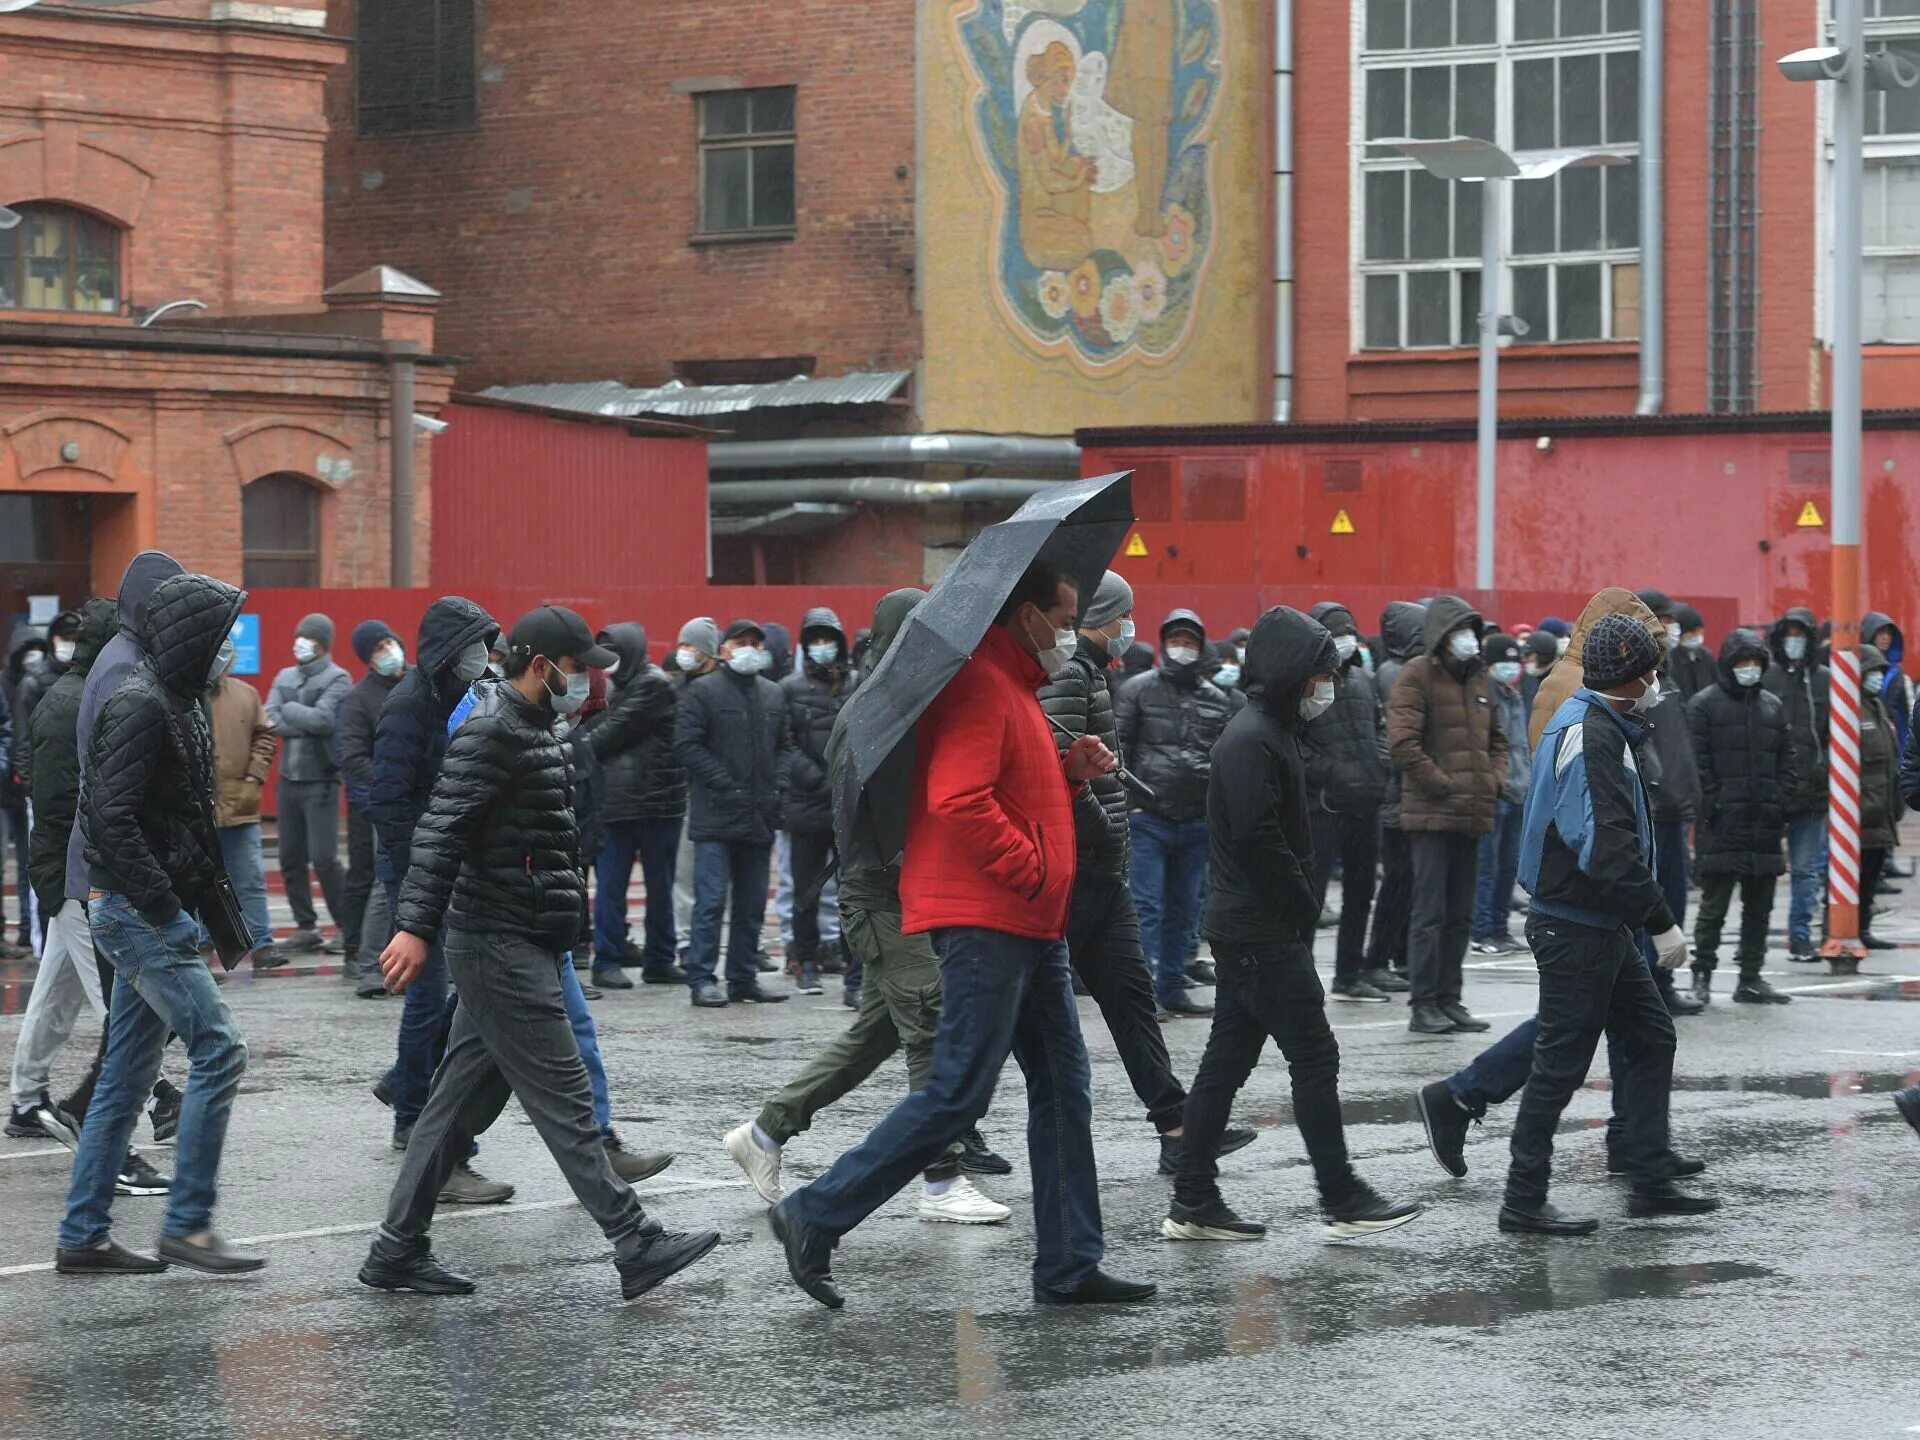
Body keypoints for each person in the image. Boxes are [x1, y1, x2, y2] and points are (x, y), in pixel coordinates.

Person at [768, 558, 1153, 1311]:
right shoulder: (981, 685)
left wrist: (1070, 771)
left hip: (1026, 923)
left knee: (1062, 1087)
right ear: (1027, 616)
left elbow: (1015, 790)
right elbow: (957, 800)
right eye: (1066, 620)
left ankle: (1070, 1263)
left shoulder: (1016, 685)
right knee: (956, 1094)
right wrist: (1034, 869)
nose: (1071, 635)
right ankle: (814, 1212)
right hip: (987, 919)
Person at [359, 606, 718, 1300]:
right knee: (566, 1100)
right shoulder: (492, 732)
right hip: (497, 941)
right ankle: (635, 1241)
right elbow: (438, 832)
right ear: (540, 665)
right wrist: (413, 926)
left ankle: (396, 1249)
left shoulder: (534, 726)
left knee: (452, 1107)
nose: (586, 681)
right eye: (577, 668)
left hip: (522, 933)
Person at [726, 589, 1011, 1225]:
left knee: (875, 1033)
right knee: (929, 1024)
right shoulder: (875, 713)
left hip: (903, 889)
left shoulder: (907, 706)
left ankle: (767, 1132)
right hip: (881, 893)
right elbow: (875, 814)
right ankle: (942, 1180)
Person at [1164, 605, 1421, 1244]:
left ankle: (1193, 1196)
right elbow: (1258, 837)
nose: (1323, 688)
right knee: (1313, 1056)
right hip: (1261, 928)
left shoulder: (1267, 730)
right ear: (1291, 674)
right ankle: (1340, 1195)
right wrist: (1303, 901)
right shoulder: (1253, 737)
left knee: (1227, 1061)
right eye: (1318, 676)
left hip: (1252, 925)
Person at [1476, 613, 1714, 1235]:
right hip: (1576, 924)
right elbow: (1604, 847)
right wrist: (1661, 921)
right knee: (1560, 1063)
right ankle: (1523, 1198)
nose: (1658, 679)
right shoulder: (1592, 733)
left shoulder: (1604, 722)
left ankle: (1648, 1172)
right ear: (1630, 677)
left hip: (1596, 921)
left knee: (1651, 1036)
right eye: (1651, 670)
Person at [56, 572, 261, 1277]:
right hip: (137, 914)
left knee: (124, 1079)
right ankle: (190, 1225)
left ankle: (83, 1236)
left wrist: (207, 911)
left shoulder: (180, 701)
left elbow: (181, 822)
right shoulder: (141, 702)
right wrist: (170, 911)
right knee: (220, 1048)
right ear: (189, 638)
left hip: (147, 909)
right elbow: (108, 820)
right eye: (222, 633)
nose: (230, 645)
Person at [1041, 572, 1255, 1172]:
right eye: (1125, 616)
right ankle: (953, 1137)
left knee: (1132, 998)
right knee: (1017, 1021)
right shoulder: (1068, 674)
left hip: (1102, 868)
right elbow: (1059, 773)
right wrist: (1103, 828)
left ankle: (1177, 1125)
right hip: (1080, 869)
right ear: (1101, 618)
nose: (1129, 628)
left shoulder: (1091, 672)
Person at [367, 596, 504, 1199]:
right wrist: (411, 887)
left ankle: (405, 1084)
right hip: (420, 869)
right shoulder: (409, 705)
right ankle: (416, 1122)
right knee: (430, 997)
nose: (483, 655)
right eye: (473, 644)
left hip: (457, 863)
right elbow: (391, 800)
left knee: (455, 997)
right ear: (448, 650)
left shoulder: (469, 696)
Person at [9, 601, 114, 1142]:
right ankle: (111, 1128)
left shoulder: (86, 695)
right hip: (79, 876)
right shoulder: (70, 702)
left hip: (75, 873)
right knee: (118, 1002)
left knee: (57, 989)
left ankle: (27, 1100)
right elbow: (56, 805)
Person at [1386, 596, 1506, 1035]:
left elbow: (1498, 741)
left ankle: (1449, 998)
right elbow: (1403, 743)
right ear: (1441, 634)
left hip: (1473, 814)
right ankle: (1423, 1004)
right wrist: (1443, 785)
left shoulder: (1479, 678)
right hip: (1432, 815)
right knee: (1430, 913)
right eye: (1460, 630)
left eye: (1472, 630)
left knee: (1460, 915)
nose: (1469, 638)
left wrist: (1491, 781)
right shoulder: (1416, 674)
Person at [1118, 609, 1232, 1018]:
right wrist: (1128, 804)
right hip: (1148, 817)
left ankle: (1170, 987)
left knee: (1186, 910)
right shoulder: (1137, 690)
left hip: (1196, 821)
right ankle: (1142, 990)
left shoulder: (1217, 700)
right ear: (1164, 643)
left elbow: (1221, 760)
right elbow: (1120, 750)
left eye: (1190, 642)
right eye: (1176, 640)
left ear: (1201, 647)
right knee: (1146, 907)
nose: (1182, 648)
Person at [674, 619, 793, 1008]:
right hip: (716, 815)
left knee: (751, 903)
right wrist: (724, 782)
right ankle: (702, 978)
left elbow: (785, 747)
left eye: (755, 643)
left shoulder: (773, 694)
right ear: (723, 649)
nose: (749, 649)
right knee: (710, 902)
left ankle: (743, 977)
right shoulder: (703, 691)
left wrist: (777, 785)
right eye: (740, 642)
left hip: (759, 815)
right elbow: (688, 746)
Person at [1686, 629, 1795, 1004]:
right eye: (1742, 662)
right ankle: (1701, 976)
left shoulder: (1771, 706)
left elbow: (1786, 759)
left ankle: (1751, 976)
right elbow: (1698, 766)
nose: (1749, 669)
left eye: (1755, 662)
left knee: (1759, 908)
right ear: (1728, 664)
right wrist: (1713, 805)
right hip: (1722, 825)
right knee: (1713, 907)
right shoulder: (1703, 705)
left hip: (1763, 823)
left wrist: (1780, 800)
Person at [1300, 600, 1398, 1002]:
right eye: (1336, 631)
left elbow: (1379, 728)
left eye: (1349, 631)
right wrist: (1328, 771)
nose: (1345, 639)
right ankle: (1300, 976)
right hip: (1323, 806)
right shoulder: (1306, 682)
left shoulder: (1363, 679)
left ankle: (1349, 972)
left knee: (1361, 893)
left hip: (1365, 801)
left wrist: (1379, 766)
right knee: (1312, 895)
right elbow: (1294, 741)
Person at [587, 623, 686, 990]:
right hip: (616, 803)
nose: (608, 661)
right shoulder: (608, 684)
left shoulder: (653, 684)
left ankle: (659, 959)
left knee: (660, 887)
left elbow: (610, 734)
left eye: (614, 652)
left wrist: (581, 747)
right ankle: (608, 959)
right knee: (611, 886)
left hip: (658, 803)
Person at [780, 607, 861, 994]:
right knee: (806, 889)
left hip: (848, 805)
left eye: (828, 639)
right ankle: (805, 960)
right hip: (807, 803)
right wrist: (817, 779)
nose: (822, 647)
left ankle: (853, 966)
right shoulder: (789, 688)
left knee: (854, 887)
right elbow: (784, 744)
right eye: (815, 640)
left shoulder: (857, 684)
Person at [265, 614, 350, 953]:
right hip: (289, 780)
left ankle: (347, 925)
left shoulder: (338, 678)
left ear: (323, 644)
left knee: (324, 857)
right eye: (299, 636)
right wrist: (301, 715)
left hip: (321, 781)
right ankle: (305, 926)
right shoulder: (285, 675)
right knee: (289, 856)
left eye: (308, 639)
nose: (300, 643)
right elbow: (267, 716)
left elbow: (325, 719)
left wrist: (290, 709)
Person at [1635, 620, 1705, 1016]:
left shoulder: (1672, 681)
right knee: (1651, 903)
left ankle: (1664, 982)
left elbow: (1681, 747)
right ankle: (1648, 987)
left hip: (1676, 809)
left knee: (1674, 902)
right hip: (1653, 809)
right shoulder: (1634, 685)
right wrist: (1657, 784)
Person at [334, 619, 404, 995]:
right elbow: (352, 756)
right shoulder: (358, 700)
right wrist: (389, 784)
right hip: (384, 802)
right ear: (367, 659)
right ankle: (368, 965)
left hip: (419, 795)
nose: (389, 651)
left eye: (390, 642)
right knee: (384, 880)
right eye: (379, 648)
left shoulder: (417, 685)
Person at [1762, 607, 1831, 961]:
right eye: (1789, 633)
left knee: (1806, 870)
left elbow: (1838, 736)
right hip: (1772, 790)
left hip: (1813, 792)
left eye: (1800, 634)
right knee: (1762, 869)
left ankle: (1800, 935)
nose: (1794, 641)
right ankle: (1756, 936)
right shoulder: (1767, 679)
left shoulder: (1825, 681)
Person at [1365, 601, 1427, 983]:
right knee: (1398, 878)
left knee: (1408, 878)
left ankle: (1400, 955)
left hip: (1401, 790)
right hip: (1396, 793)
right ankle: (1378, 959)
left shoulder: (1401, 670)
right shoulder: (1394, 673)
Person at [207, 648, 279, 969]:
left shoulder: (245, 694)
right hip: (198, 807)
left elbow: (265, 734)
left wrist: (254, 775)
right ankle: (201, 943)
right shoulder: (185, 693)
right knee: (200, 882)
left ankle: (262, 942)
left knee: (250, 877)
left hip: (240, 801)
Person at [1470, 634, 1532, 957]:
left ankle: (1499, 927)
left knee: (1508, 866)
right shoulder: (1483, 695)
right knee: (1487, 866)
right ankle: (1481, 931)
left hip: (1518, 791)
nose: (1511, 668)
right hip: (1495, 793)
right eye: (1503, 662)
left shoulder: (1514, 695)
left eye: (1514, 662)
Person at [668, 618, 721, 957]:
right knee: (685, 873)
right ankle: (686, 940)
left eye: (692, 646)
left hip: (718, 792)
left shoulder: (724, 687)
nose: (684, 652)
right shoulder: (676, 690)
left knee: (720, 878)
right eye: (682, 645)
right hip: (686, 790)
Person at [1858, 644, 1906, 957]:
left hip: (1881, 808)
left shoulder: (1877, 709)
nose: (1876, 678)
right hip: (1863, 808)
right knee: (1855, 875)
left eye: (1879, 672)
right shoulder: (1852, 709)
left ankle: (1863, 928)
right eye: (1871, 672)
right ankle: (1847, 928)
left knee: (1872, 873)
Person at [1670, 604, 1717, 704]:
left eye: (1699, 631)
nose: (1696, 636)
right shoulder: (1670, 659)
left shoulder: (1707, 656)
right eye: (1691, 632)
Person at [1519, 630, 1558, 714]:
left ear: (1543, 656)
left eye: (1528, 654)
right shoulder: (1527, 677)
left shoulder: (1560, 681)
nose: (1524, 659)